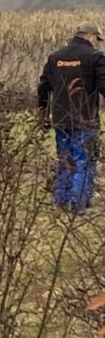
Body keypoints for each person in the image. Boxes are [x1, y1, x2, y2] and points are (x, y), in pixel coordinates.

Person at [37, 21, 105, 212]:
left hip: (60, 120)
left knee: (65, 159)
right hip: (86, 120)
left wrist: (43, 113)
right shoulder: (95, 57)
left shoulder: (55, 57)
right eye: (96, 39)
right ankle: (77, 205)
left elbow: (43, 88)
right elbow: (103, 86)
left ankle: (59, 202)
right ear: (91, 36)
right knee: (84, 159)